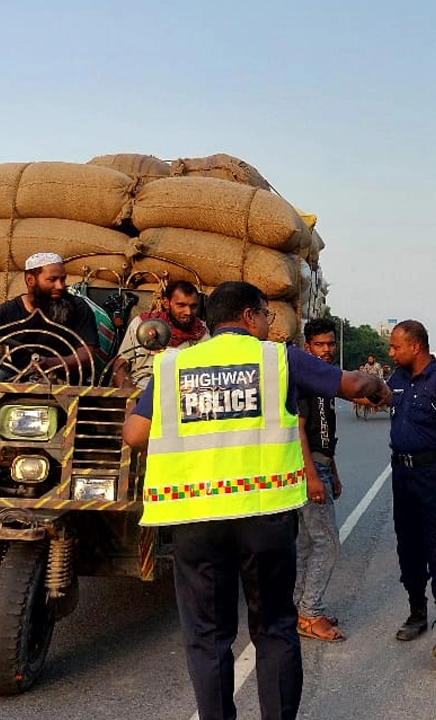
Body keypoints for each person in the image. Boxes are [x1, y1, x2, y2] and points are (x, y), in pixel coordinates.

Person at [122, 282, 387, 720]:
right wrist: (378, 386)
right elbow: (352, 383)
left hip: (195, 517)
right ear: (249, 316)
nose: (270, 323)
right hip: (264, 518)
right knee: (275, 630)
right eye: (266, 314)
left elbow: (134, 434)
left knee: (208, 638)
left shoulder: (173, 366)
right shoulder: (278, 358)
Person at [387, 320, 436, 663]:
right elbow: (373, 395)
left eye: (396, 347)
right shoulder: (398, 379)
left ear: (415, 347)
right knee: (408, 549)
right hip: (402, 476)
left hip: (434, 477)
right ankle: (417, 612)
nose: (391, 353)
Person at [293, 318, 347, 644]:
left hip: (322, 466)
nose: (326, 350)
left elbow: (325, 433)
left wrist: (334, 471)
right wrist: (312, 477)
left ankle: (299, 608)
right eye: (319, 344)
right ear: (307, 347)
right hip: (309, 470)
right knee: (327, 544)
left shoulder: (324, 382)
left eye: (330, 344)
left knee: (305, 544)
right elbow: (299, 430)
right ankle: (311, 613)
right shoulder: (304, 382)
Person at [0, 251, 99, 376]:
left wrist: (51, 363)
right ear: (30, 280)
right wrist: (7, 369)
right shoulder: (8, 311)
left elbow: (86, 356)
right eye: (52, 280)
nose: (60, 286)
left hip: (69, 387)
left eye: (62, 279)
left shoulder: (77, 307)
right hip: (20, 385)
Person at [112, 280, 208, 388]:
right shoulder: (142, 325)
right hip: (141, 390)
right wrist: (129, 397)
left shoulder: (201, 332)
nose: (188, 312)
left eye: (193, 306)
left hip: (182, 393)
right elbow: (121, 364)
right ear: (166, 303)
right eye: (181, 305)